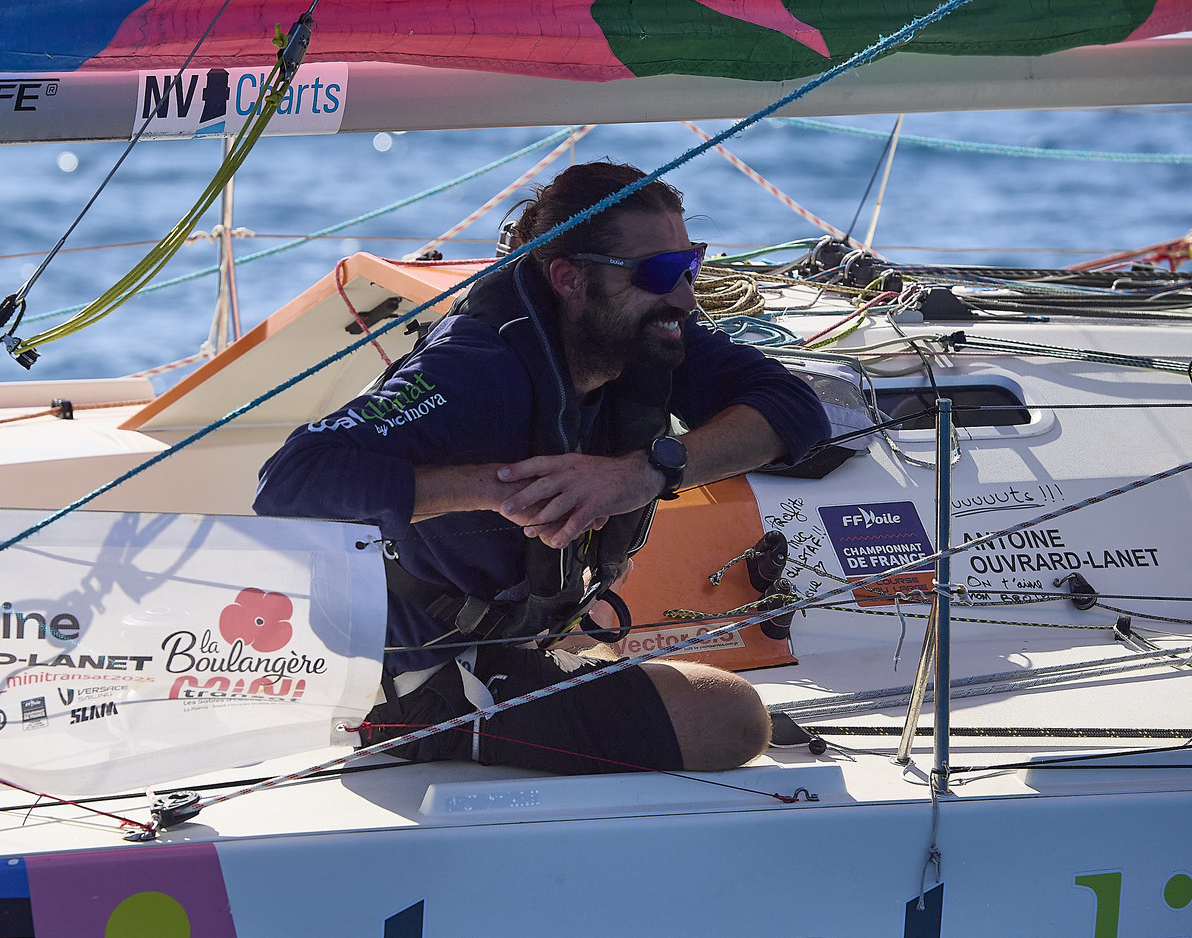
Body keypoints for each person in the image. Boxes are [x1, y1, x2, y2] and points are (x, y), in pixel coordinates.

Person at [254, 161, 830, 775]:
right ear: (570, 279)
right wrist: (496, 488)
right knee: (732, 719)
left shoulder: (647, 337)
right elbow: (288, 484)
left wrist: (646, 472)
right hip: (418, 685)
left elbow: (797, 411)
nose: (685, 296)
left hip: (505, 646)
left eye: (691, 264)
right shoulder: (475, 370)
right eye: (661, 272)